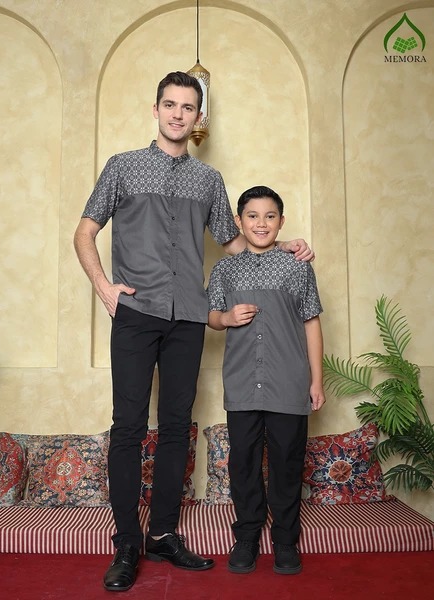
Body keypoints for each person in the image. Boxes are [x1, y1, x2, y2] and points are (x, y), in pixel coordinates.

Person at [74, 72, 314, 592]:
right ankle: (127, 545)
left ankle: (162, 534)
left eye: (188, 107)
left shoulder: (208, 180)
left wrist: (281, 244)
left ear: (198, 117)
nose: (178, 114)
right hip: (136, 313)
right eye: (170, 105)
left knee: (176, 427)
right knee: (128, 427)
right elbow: (85, 232)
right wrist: (104, 288)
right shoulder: (123, 167)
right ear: (155, 109)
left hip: (188, 317)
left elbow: (234, 243)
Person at [207, 185, 325, 576]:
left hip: (289, 381)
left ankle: (286, 541)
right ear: (239, 222)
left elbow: (311, 323)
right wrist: (226, 318)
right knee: (243, 464)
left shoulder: (298, 266)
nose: (261, 223)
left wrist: (316, 381)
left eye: (270, 216)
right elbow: (211, 315)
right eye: (253, 216)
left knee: (287, 464)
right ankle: (246, 537)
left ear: (281, 221)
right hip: (242, 381)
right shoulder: (225, 269)